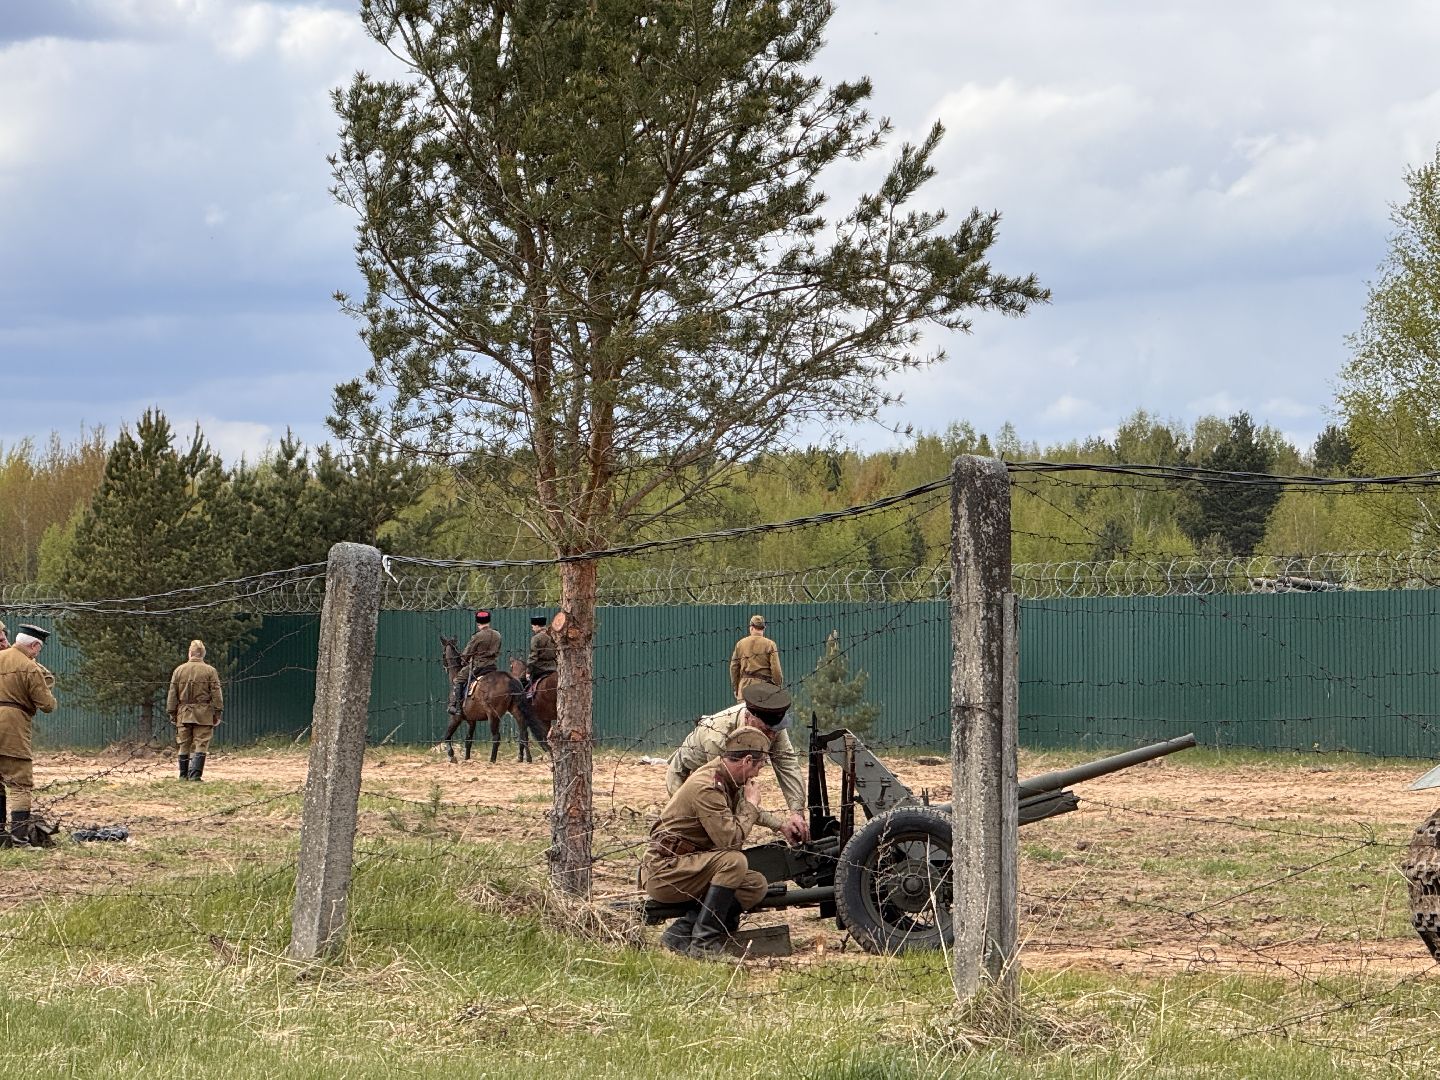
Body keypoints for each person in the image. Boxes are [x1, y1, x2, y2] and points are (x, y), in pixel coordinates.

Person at [642, 726, 773, 959]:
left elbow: (739, 815)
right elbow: (730, 842)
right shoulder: (708, 786)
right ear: (747, 760)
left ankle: (682, 934)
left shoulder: (727, 778)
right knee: (733, 862)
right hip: (666, 871)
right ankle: (704, 944)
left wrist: (780, 823)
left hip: (687, 865)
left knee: (754, 884)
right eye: (758, 767)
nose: (757, 775)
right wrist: (751, 806)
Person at [665, 682, 810, 845]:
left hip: (714, 778)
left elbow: (788, 765)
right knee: (708, 835)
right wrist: (780, 825)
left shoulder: (772, 727)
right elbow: (738, 799)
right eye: (766, 731)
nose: (770, 737)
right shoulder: (718, 736)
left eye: (773, 732)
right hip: (684, 777)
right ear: (748, 718)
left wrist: (796, 812)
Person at [0, 623, 57, 842]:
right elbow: (47, 705)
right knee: (20, 784)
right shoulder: (30, 667)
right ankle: (20, 839)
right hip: (13, 728)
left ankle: (0, 836)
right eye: (38, 649)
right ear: (34, 645)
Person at [166, 639, 223, 781]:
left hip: (183, 712)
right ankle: (195, 776)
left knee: (184, 744)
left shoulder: (179, 670)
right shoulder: (210, 671)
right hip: (204, 713)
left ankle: (183, 775)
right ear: (203, 654)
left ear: (190, 653)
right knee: (201, 743)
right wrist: (218, 712)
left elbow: (172, 694)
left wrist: (172, 712)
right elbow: (216, 693)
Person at [449, 610, 501, 716]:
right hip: (492, 667)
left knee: (459, 679)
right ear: (489, 621)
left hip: (479, 666)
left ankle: (457, 707)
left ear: (478, 623)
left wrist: (463, 660)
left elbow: (467, 654)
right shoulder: (497, 635)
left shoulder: (477, 636)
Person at [729, 613, 782, 701]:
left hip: (744, 688)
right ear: (763, 628)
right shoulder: (770, 644)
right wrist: (778, 686)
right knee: (762, 713)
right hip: (763, 687)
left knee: (745, 714)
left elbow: (733, 668)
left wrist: (736, 688)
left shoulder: (740, 644)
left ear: (751, 627)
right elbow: (776, 669)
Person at [526, 614, 557, 687]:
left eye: (533, 627)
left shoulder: (536, 638)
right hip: (553, 668)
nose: (532, 629)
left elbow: (533, 656)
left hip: (540, 669)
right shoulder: (552, 637)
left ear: (537, 626)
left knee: (523, 682)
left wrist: (528, 671)